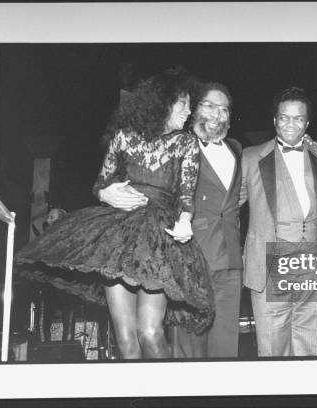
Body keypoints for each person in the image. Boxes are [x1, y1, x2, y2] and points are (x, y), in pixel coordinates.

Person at [15, 68, 214, 359]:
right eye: (182, 103)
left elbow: (186, 192)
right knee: (125, 338)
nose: (188, 110)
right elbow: (100, 183)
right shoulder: (123, 138)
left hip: (156, 240)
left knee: (149, 332)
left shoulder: (185, 142)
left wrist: (185, 221)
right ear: (161, 103)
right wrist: (104, 193)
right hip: (117, 239)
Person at [104, 81, 243, 358]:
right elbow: (118, 180)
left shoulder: (237, 149)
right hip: (183, 254)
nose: (218, 114)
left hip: (226, 260)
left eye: (224, 109)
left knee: (225, 349)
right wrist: (104, 192)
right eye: (209, 106)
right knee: (184, 349)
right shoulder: (166, 142)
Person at [240, 87, 317, 356]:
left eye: (298, 119)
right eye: (284, 117)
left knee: (311, 341)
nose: (290, 124)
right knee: (274, 345)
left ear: (307, 123)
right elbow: (227, 205)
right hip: (269, 261)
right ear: (274, 120)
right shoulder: (251, 157)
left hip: (314, 262)